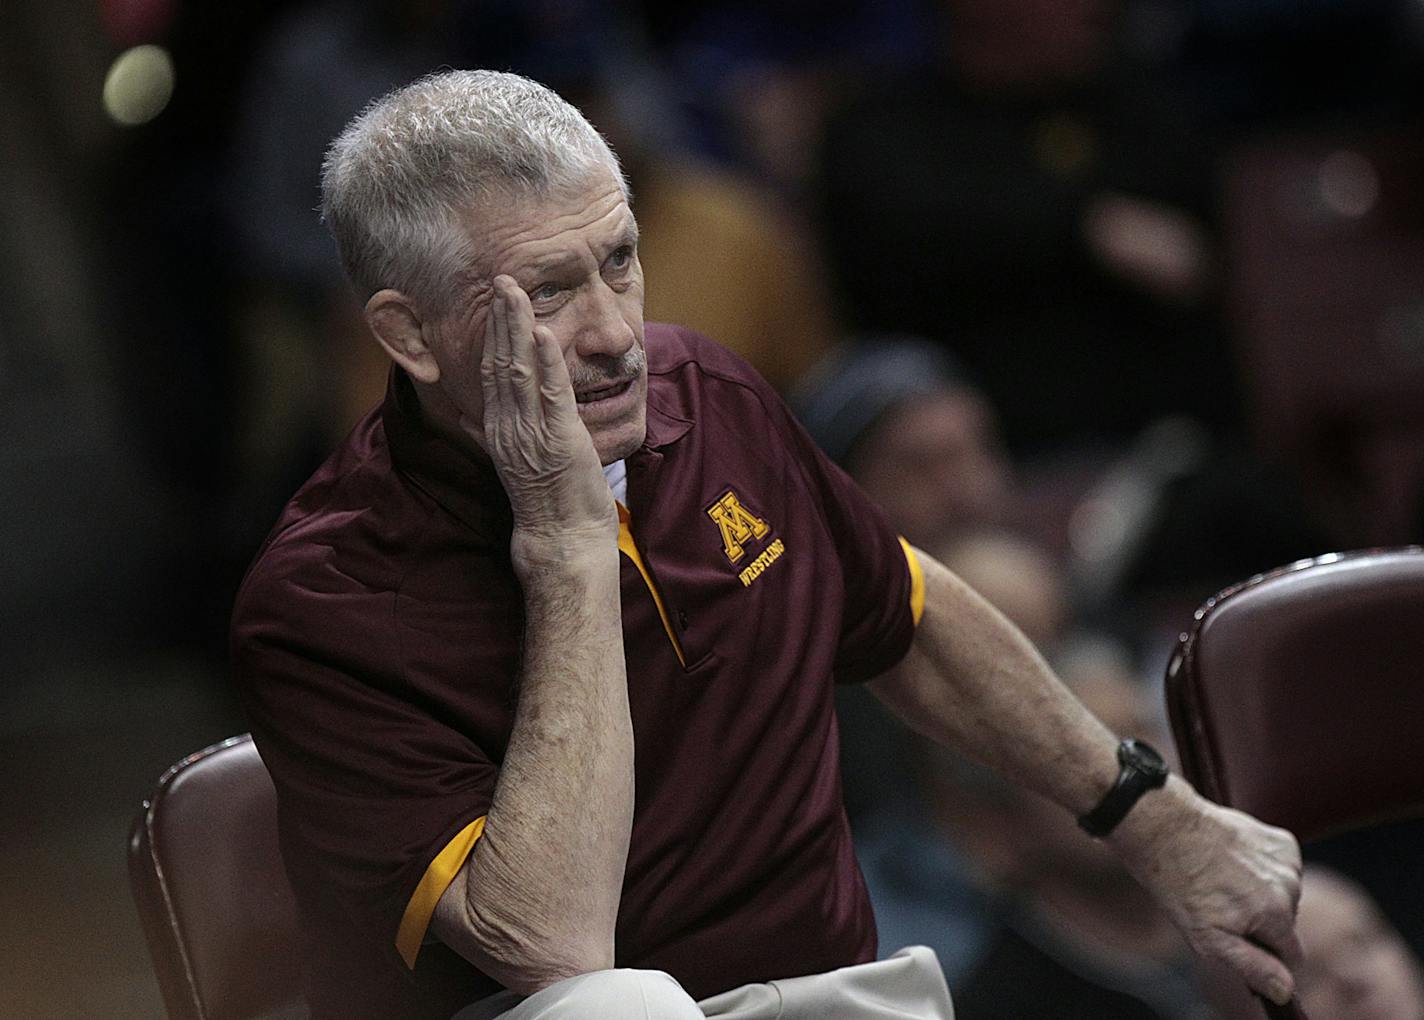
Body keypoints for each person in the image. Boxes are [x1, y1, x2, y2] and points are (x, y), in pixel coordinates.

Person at [230, 69, 1303, 1019]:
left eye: (619, 262)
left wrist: (1156, 822)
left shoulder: (706, 394)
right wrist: (565, 549)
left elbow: (905, 613)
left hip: (828, 995)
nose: (612, 336)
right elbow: (548, 950)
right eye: (547, 293)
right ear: (408, 334)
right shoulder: (323, 603)